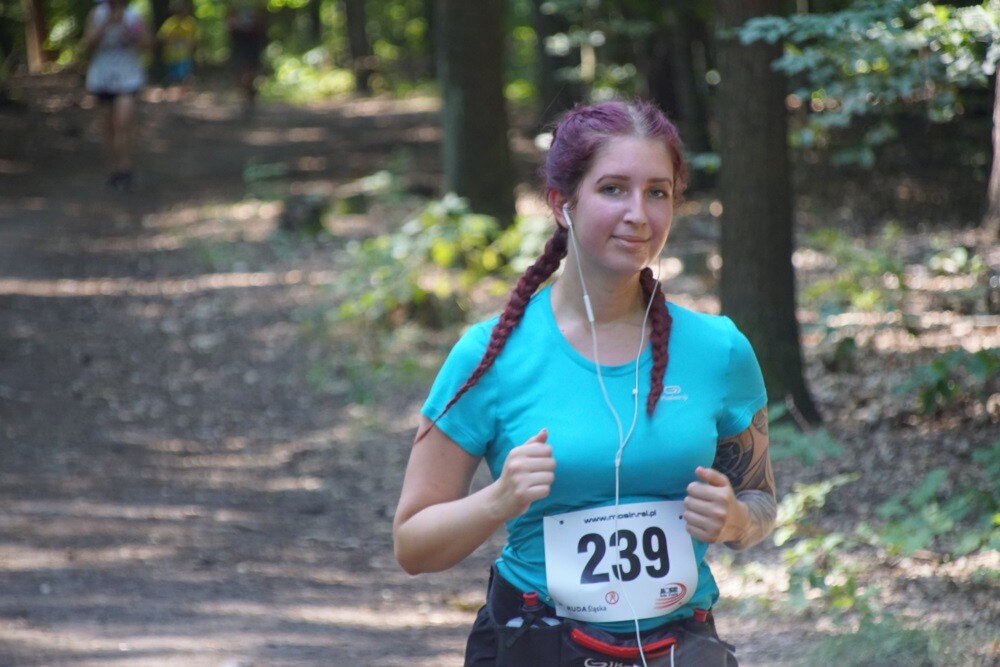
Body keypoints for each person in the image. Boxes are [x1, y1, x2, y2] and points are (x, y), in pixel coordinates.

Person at [393, 99, 776, 667]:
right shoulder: (490, 355)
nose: (639, 214)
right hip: (535, 643)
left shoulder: (719, 350)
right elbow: (412, 545)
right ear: (562, 203)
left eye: (658, 192)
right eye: (613, 189)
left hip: (679, 646)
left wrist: (736, 521)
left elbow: (760, 503)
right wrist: (498, 500)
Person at [83, 0, 153, 191]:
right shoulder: (97, 14)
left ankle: (126, 168)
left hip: (128, 78)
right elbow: (88, 44)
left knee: (123, 123)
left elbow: (147, 44)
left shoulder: (134, 16)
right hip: (102, 78)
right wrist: (106, 24)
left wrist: (127, 28)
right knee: (108, 127)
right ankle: (114, 168)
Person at [226, 0, 269, 112]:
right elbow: (230, 19)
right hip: (239, 39)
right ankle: (245, 91)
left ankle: (250, 91)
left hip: (253, 39)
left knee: (251, 68)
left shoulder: (257, 3)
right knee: (240, 68)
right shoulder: (234, 4)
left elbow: (262, 17)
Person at [157, 0, 197, 99]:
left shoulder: (190, 23)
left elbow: (195, 39)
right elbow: (160, 37)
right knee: (170, 77)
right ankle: (164, 94)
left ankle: (183, 95)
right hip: (171, 56)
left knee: (185, 76)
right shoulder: (170, 23)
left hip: (184, 56)